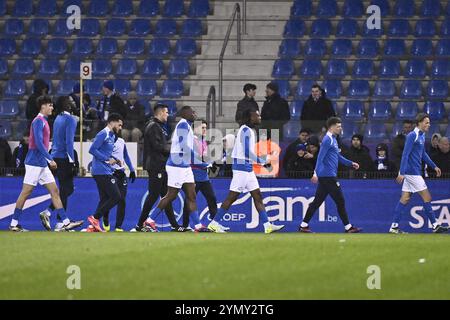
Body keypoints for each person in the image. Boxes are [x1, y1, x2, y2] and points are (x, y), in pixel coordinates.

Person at [9, 95, 83, 232]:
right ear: (43, 106)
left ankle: (65, 222)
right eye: (50, 105)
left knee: (55, 190)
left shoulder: (44, 121)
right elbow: (37, 143)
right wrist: (50, 159)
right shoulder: (38, 121)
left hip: (41, 163)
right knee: (26, 192)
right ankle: (13, 224)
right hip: (34, 163)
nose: (52, 108)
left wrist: (46, 160)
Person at [207, 110, 285, 234]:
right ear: (250, 117)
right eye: (257, 115)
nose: (260, 117)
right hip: (241, 169)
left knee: (257, 196)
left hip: (247, 168)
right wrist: (262, 161)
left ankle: (267, 225)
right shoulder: (245, 130)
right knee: (232, 197)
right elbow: (247, 152)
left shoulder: (248, 130)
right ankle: (214, 223)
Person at [144, 106, 208, 232]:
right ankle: (150, 220)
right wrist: (200, 162)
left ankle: (198, 226)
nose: (194, 113)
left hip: (185, 166)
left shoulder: (187, 126)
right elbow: (184, 147)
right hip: (176, 166)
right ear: (185, 114)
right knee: (171, 195)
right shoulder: (183, 125)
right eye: (192, 111)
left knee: (191, 195)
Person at [298, 117, 362, 233]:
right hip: (328, 176)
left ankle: (303, 225)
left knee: (317, 202)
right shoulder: (327, 139)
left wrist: (350, 163)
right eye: (338, 126)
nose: (340, 128)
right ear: (331, 127)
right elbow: (320, 157)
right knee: (340, 201)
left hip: (326, 176)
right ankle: (348, 227)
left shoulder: (333, 139)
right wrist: (315, 173)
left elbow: (337, 156)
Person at [390, 113, 448, 234]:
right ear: (420, 123)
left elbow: (423, 154)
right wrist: (402, 172)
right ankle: (435, 225)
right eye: (426, 122)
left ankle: (394, 227)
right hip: (412, 173)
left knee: (404, 199)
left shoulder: (421, 136)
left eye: (429, 122)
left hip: (412, 173)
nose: (429, 124)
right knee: (427, 197)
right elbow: (405, 154)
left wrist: (434, 165)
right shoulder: (412, 135)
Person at [134, 104, 181, 232]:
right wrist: (173, 150)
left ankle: (174, 225)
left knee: (165, 196)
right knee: (154, 195)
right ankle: (140, 224)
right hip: (156, 166)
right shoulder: (153, 126)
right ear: (160, 113)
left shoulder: (158, 126)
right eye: (166, 112)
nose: (167, 114)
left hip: (160, 165)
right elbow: (157, 146)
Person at [39, 96, 83, 231]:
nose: (72, 102)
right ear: (66, 105)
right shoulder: (71, 119)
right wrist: (73, 161)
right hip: (64, 158)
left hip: (55, 156)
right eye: (70, 100)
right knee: (66, 189)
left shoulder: (58, 118)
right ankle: (60, 222)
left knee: (66, 189)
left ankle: (48, 212)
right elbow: (69, 141)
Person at [86, 113, 124, 232]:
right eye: (120, 124)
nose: (120, 127)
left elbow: (105, 153)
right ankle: (95, 218)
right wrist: (108, 159)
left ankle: (93, 227)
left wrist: (115, 160)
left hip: (105, 170)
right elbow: (92, 149)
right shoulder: (103, 133)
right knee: (117, 196)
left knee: (104, 199)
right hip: (101, 171)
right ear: (113, 122)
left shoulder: (112, 136)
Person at [181, 120, 221, 229]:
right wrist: (206, 164)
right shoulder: (192, 141)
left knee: (211, 198)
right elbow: (193, 159)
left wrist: (210, 161)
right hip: (194, 175)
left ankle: (214, 224)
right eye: (202, 127)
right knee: (189, 200)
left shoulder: (203, 141)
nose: (205, 130)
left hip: (204, 176)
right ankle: (185, 225)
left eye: (205, 128)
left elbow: (204, 157)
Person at [102, 131, 136, 232]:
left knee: (122, 200)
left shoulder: (121, 141)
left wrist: (132, 170)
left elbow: (126, 156)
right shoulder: (106, 141)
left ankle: (118, 226)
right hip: (110, 173)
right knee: (110, 198)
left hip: (121, 173)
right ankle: (106, 219)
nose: (120, 128)